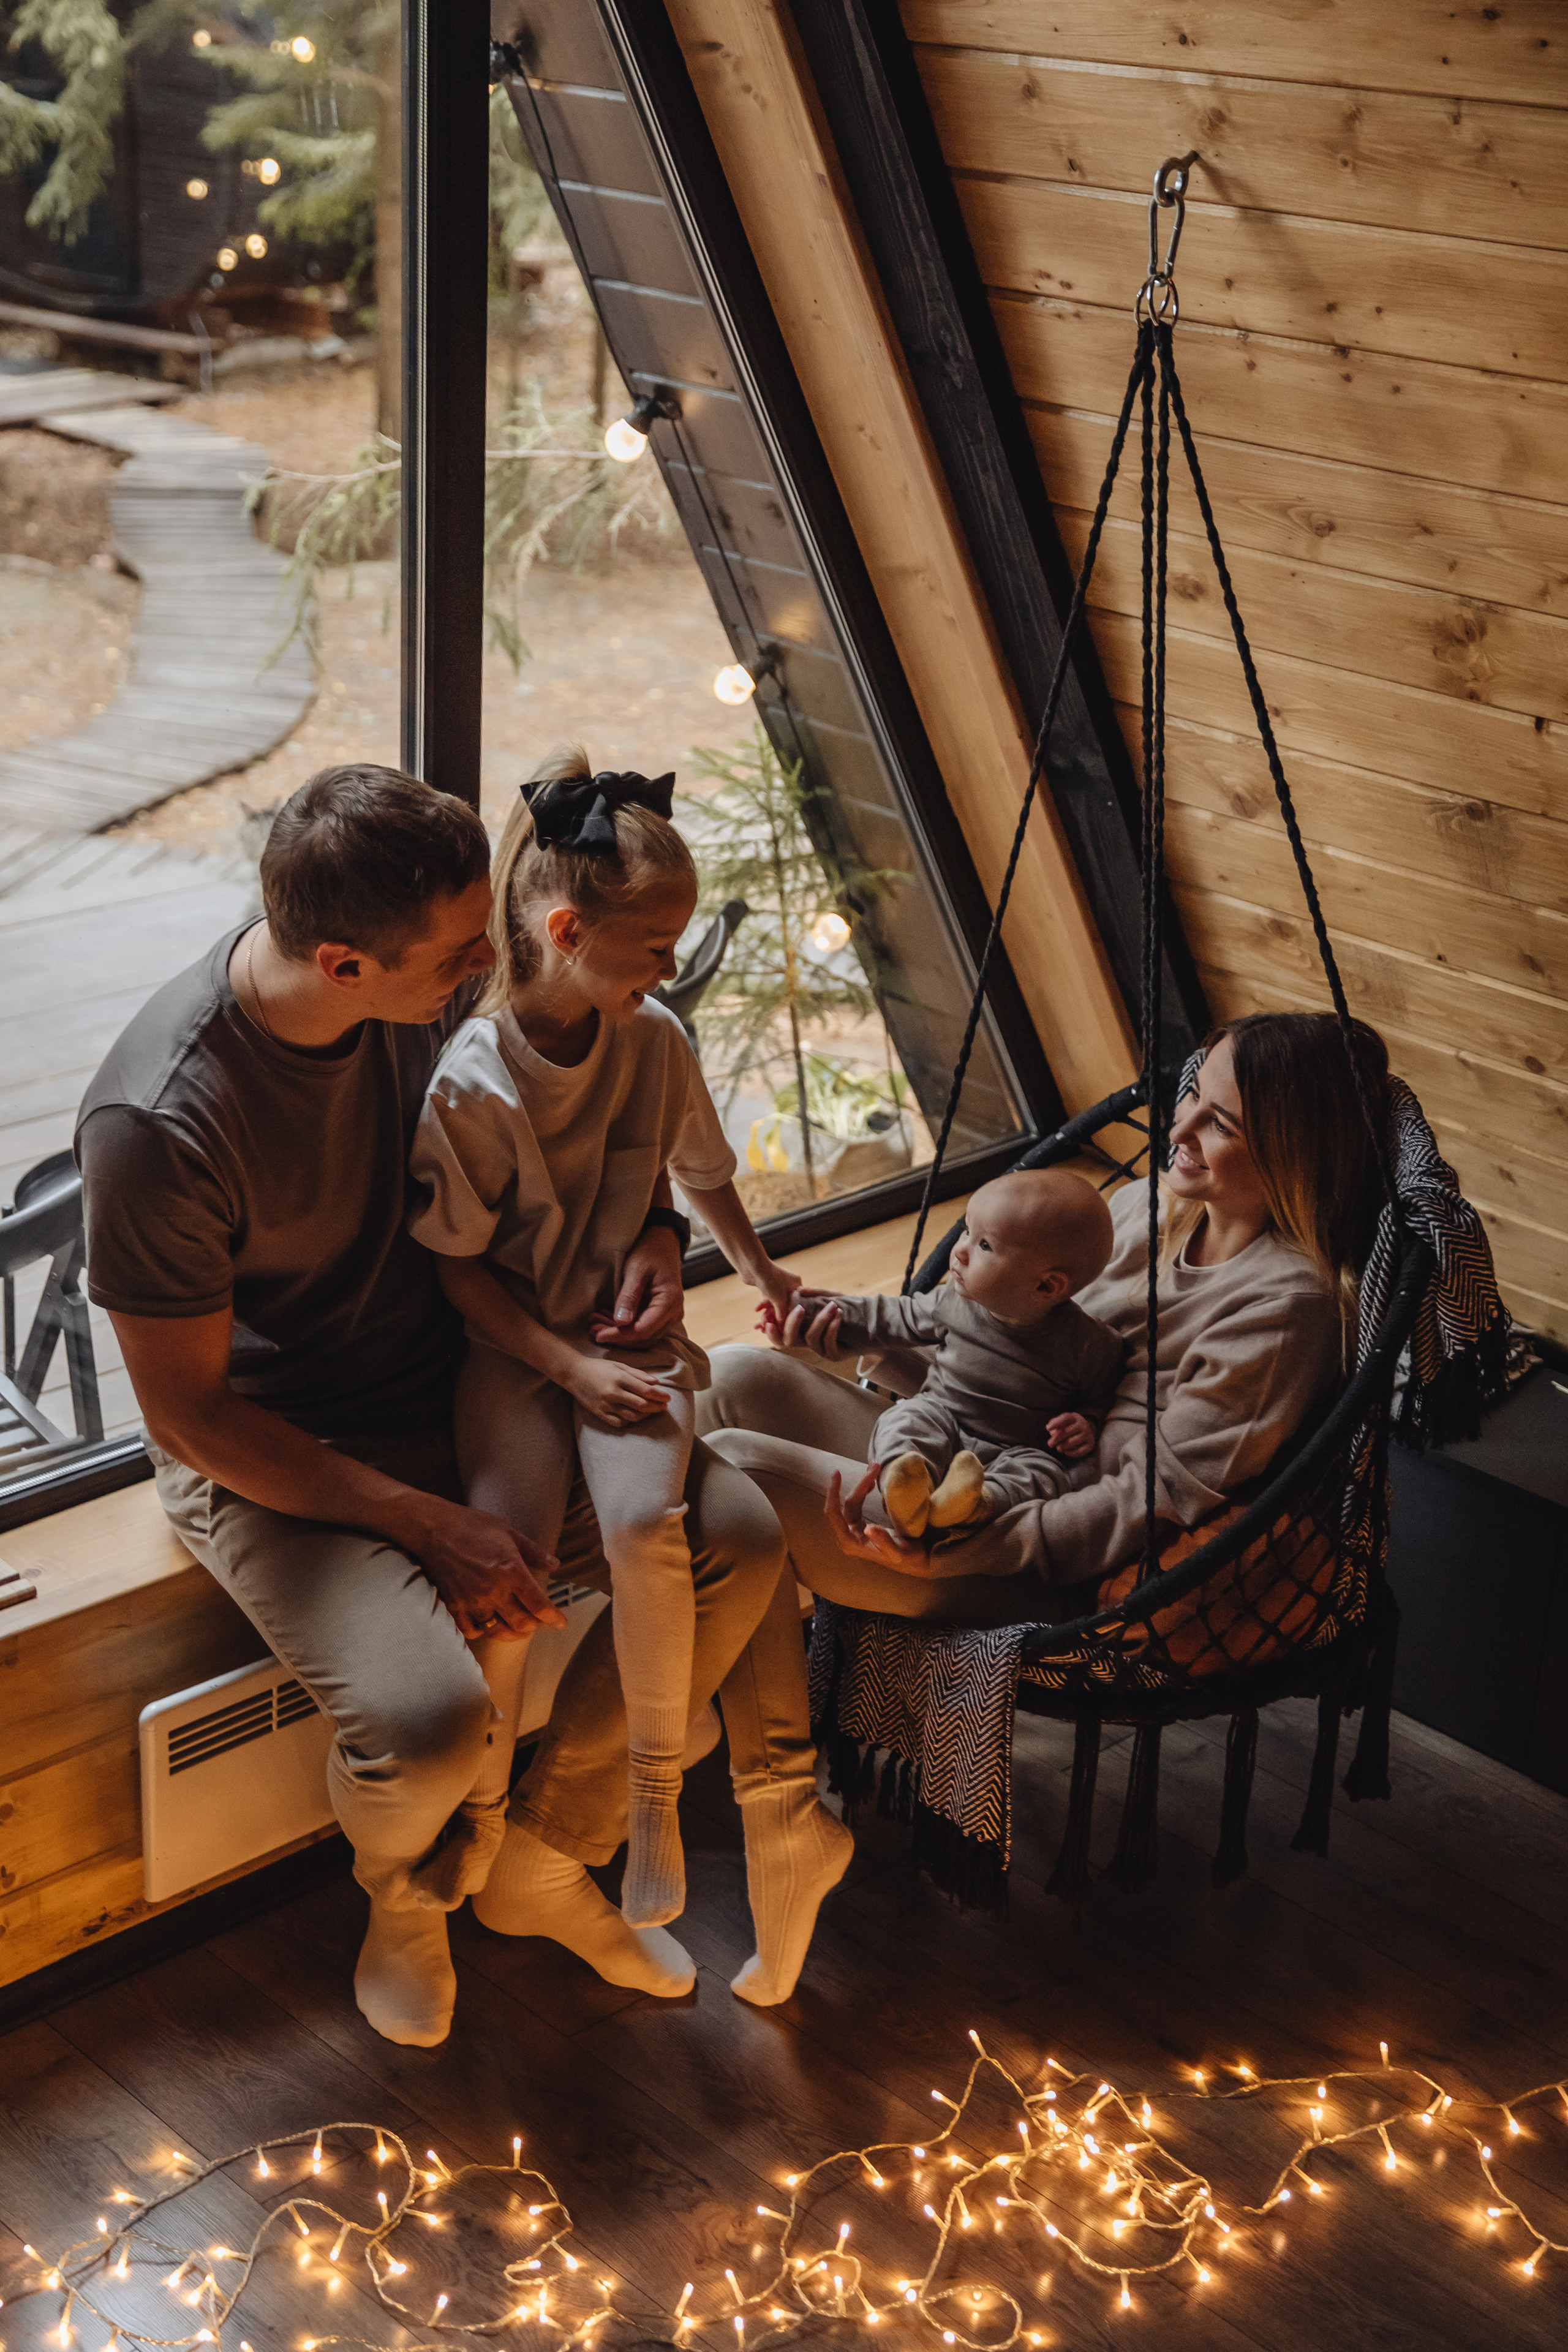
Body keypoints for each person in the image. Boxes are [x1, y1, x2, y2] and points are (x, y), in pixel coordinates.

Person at [75, 764, 793, 2051]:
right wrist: (425, 1523)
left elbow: (601, 1123)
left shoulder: (433, 991)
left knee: (735, 1542)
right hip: (282, 1445)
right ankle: (403, 1899)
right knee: (428, 1726)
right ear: (344, 966)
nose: (490, 965)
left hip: (471, 1367)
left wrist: (654, 1228)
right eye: (464, 952)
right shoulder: (158, 1121)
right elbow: (189, 1421)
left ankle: (544, 1855)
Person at [406, 760, 811, 1933]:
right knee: (512, 1574)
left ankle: (650, 1798)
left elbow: (702, 1172)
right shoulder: (475, 1084)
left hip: (631, 1345)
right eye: (656, 947)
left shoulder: (655, 1041)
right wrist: (567, 1365)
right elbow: (457, 1273)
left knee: (646, 1528)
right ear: (567, 933)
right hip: (518, 1351)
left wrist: (758, 1273)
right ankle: (483, 1816)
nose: (672, 970)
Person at [698, 1013, 1389, 1626]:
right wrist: (865, 1343)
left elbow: (1142, 1502)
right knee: (729, 1376)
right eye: (1193, 1095)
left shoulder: (1282, 1311)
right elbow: (1013, 1370)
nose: (1178, 1129)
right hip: (964, 1459)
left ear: (1294, 1154)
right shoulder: (1144, 1210)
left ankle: (704, 1722)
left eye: (1221, 1124)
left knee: (736, 1467)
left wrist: (953, 1555)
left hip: (1035, 1551)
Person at [774, 1168, 1123, 1539]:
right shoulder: (951, 1302)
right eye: (967, 1231)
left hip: (1018, 1449)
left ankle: (974, 1504)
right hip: (941, 1417)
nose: (959, 1250)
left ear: (1046, 1286)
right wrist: (807, 1310)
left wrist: (1086, 1424)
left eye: (984, 1245)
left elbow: (1102, 1398)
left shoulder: (1090, 1344)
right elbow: (889, 1316)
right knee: (905, 1419)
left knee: (1046, 1476)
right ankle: (905, 1486)